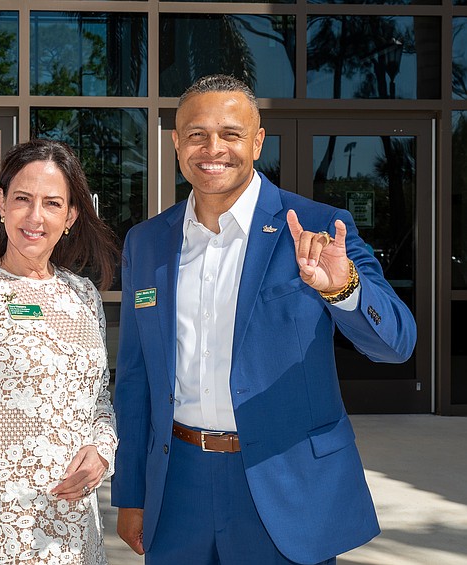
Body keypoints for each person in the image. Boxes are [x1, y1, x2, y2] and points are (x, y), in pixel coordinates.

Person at [112, 74, 417, 565]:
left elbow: (397, 344)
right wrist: (130, 494)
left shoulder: (318, 227)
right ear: (175, 142)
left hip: (285, 486)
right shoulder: (146, 243)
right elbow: (133, 379)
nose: (213, 148)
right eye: (197, 134)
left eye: (231, 134)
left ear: (257, 141)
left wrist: (342, 289)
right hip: (177, 486)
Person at [0, 139, 120, 564]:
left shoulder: (84, 295)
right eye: (22, 199)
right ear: (1, 203)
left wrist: (102, 452)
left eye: (52, 203)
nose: (35, 217)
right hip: (3, 530)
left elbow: (100, 403)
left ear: (71, 215)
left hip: (77, 528)